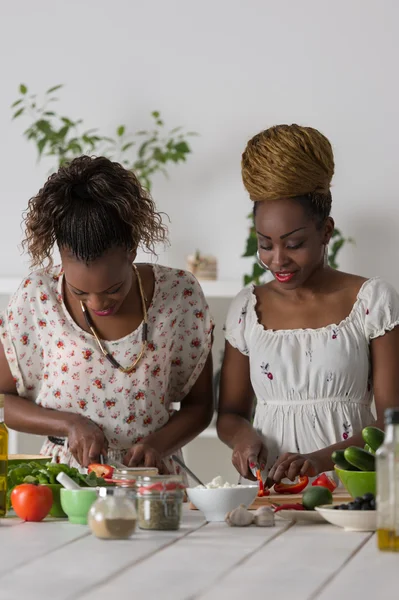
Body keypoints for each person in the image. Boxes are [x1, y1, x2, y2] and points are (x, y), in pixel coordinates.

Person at [0, 156, 214, 472]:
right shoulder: (37, 296)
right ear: (60, 254)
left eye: (113, 289)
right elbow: (5, 403)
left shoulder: (178, 294)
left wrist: (158, 444)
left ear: (132, 248)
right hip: (67, 484)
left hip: (151, 481)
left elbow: (200, 406)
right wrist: (69, 424)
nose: (99, 303)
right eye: (80, 292)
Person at [217, 124, 399, 484]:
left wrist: (319, 461)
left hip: (350, 487)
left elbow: (392, 421)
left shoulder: (372, 302)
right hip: (269, 490)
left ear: (326, 231)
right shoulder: (246, 308)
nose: (277, 259)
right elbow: (230, 414)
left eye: (294, 244)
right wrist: (244, 438)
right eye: (265, 244)